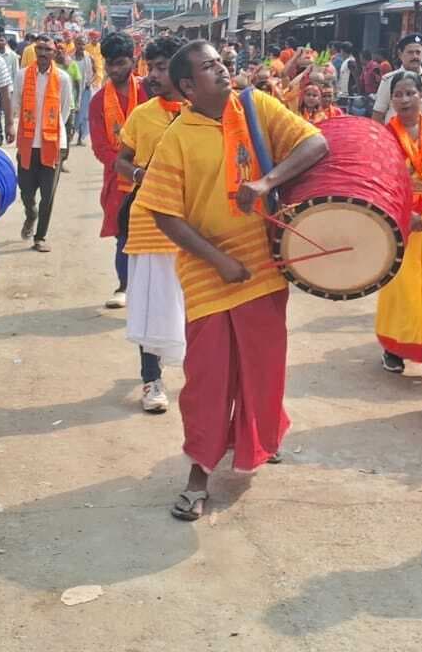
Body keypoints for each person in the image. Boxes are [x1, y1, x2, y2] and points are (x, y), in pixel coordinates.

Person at [132, 40, 328, 521]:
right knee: (208, 381)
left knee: (264, 369)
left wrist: (266, 182)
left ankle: (261, 438)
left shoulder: (255, 106)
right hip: (207, 274)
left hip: (262, 265)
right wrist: (218, 260)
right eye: (209, 67)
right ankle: (199, 472)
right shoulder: (176, 137)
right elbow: (163, 214)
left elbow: (315, 144)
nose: (223, 70)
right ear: (186, 87)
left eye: (222, 62)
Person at [115, 35, 187, 414]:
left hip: (193, 223)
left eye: (163, 67)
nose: (155, 75)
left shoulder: (205, 113)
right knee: (150, 306)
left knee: (194, 303)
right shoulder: (142, 115)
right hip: (148, 221)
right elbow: (121, 161)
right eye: (153, 67)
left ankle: (200, 376)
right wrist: (139, 171)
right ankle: (151, 379)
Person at [376, 71, 422, 373]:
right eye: (398, 94)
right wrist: (405, 212)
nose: (404, 99)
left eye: (410, 93)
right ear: (391, 100)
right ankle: (393, 347)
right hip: (401, 217)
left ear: (421, 96)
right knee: (400, 285)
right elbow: (382, 181)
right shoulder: (385, 136)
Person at [90, 33, 149, 309]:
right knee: (123, 236)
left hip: (157, 174)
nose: (115, 70)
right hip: (119, 180)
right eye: (110, 64)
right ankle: (124, 286)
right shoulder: (98, 102)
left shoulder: (150, 90)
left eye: (121, 63)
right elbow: (101, 147)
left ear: (134, 60)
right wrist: (129, 168)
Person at [14, 35, 75, 252]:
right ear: (34, 51)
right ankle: (31, 215)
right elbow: (17, 104)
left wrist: (52, 130)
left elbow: (65, 110)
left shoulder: (63, 79)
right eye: (39, 49)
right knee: (26, 190)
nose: (42, 54)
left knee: (48, 194)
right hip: (28, 143)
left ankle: (40, 236)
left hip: (53, 143)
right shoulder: (22, 76)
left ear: (54, 53)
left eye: (47, 50)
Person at [374, 33, 422, 123]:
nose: (415, 56)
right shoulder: (389, 80)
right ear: (400, 55)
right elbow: (378, 115)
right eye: (410, 52)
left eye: (418, 52)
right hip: (395, 134)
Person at [70, 37, 97, 147]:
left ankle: (80, 138)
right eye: (78, 44)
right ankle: (70, 134)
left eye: (82, 44)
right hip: (74, 90)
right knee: (73, 113)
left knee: (84, 114)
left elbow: (95, 73)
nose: (81, 46)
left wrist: (89, 82)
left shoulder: (89, 58)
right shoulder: (70, 58)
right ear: (75, 44)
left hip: (86, 90)